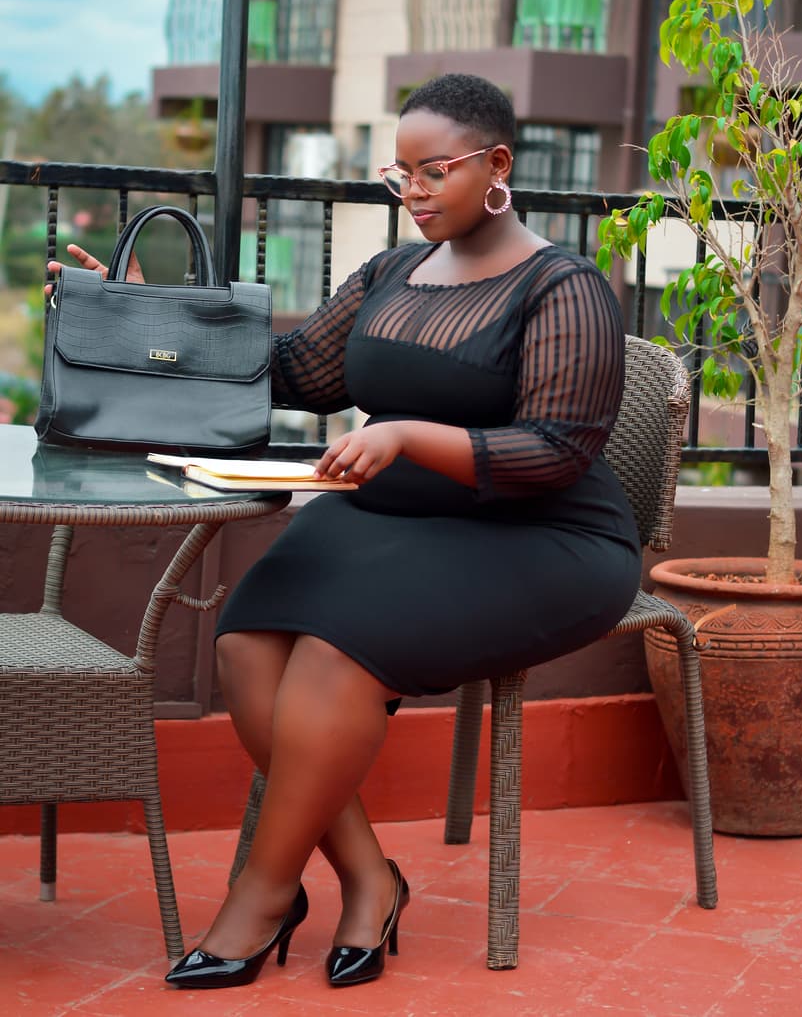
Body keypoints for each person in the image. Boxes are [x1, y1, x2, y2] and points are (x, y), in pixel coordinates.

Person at [48, 73, 642, 992]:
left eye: (433, 169)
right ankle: (369, 876)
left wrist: (406, 434)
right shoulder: (390, 274)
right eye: (398, 171)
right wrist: (139, 312)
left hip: (542, 536)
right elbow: (281, 370)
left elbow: (556, 450)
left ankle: (262, 893)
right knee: (247, 645)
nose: (412, 189)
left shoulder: (566, 286)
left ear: (496, 165)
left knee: (335, 655)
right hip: (395, 521)